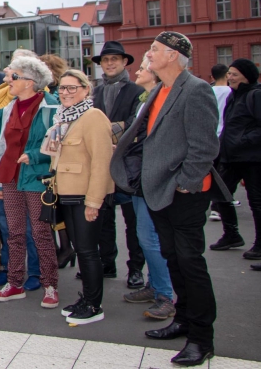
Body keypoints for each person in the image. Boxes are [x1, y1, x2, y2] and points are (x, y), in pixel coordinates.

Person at [111, 32, 219, 367]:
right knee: (174, 260)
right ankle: (183, 320)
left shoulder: (196, 89)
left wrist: (185, 184)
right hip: (157, 190)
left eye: (155, 50)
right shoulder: (159, 90)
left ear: (173, 56)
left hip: (183, 194)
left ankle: (201, 339)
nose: (148, 54)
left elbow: (205, 146)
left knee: (191, 263)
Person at [0, 56, 60, 308]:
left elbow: (58, 143)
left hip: (36, 177)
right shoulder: (7, 108)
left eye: (14, 76)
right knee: (14, 232)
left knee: (41, 233)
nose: (7, 79)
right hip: (10, 177)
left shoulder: (51, 106)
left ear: (29, 82)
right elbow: (1, 146)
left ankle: (50, 285)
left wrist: (35, 155)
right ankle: (15, 282)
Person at [50, 70, 113, 325]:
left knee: (88, 252)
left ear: (86, 89)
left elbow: (102, 162)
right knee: (81, 249)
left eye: (72, 88)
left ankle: (93, 305)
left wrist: (94, 202)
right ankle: (86, 298)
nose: (65, 93)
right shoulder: (64, 118)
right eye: (62, 88)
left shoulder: (93, 116)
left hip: (85, 196)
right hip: (66, 194)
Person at [0, 50, 43, 290]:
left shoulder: (43, 100)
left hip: (27, 174)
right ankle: (9, 268)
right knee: (7, 226)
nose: (8, 72)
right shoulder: (1, 97)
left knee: (29, 228)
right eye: (9, 68)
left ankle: (35, 272)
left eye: (14, 70)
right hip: (2, 171)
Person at [123, 55, 176, 321]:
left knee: (149, 238)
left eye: (143, 68)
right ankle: (155, 286)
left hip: (151, 178)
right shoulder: (144, 101)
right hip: (138, 177)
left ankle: (166, 294)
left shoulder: (159, 100)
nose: (138, 71)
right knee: (145, 236)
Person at [90, 41, 146, 290]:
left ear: (125, 63)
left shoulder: (137, 91)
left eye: (115, 59)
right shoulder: (96, 92)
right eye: (105, 60)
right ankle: (107, 263)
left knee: (133, 221)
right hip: (101, 164)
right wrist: (119, 127)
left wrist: (112, 132)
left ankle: (136, 269)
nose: (110, 63)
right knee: (103, 217)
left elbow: (138, 123)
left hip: (129, 163)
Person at [211, 59, 261, 258]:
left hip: (252, 159)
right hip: (231, 157)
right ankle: (231, 235)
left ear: (246, 77)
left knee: (256, 202)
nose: (230, 77)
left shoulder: (256, 95)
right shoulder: (233, 96)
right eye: (229, 73)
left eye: (235, 74)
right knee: (220, 194)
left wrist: (241, 142)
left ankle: (259, 244)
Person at [211, 63, 231, 138]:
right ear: (227, 75)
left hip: (212, 132)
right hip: (226, 133)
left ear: (212, 77)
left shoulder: (207, 91)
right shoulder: (231, 92)